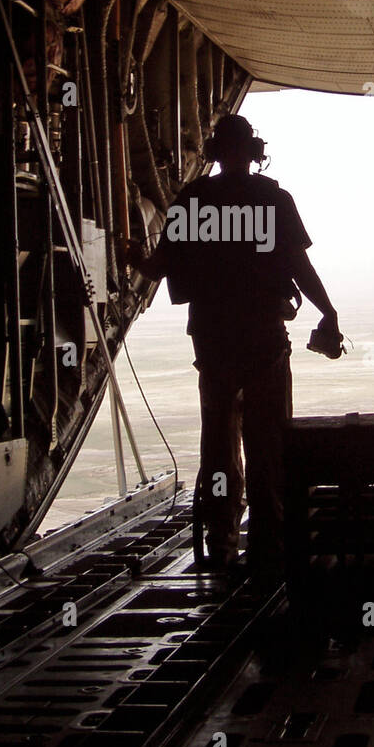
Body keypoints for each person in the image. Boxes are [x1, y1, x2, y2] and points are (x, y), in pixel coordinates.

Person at [127, 114, 342, 574]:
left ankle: (222, 543)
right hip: (264, 340)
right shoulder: (273, 199)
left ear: (214, 154)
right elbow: (298, 266)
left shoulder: (192, 201)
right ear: (253, 152)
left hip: (214, 344)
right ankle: (268, 545)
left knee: (219, 448)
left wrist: (132, 257)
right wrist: (328, 311)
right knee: (269, 444)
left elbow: (158, 267)